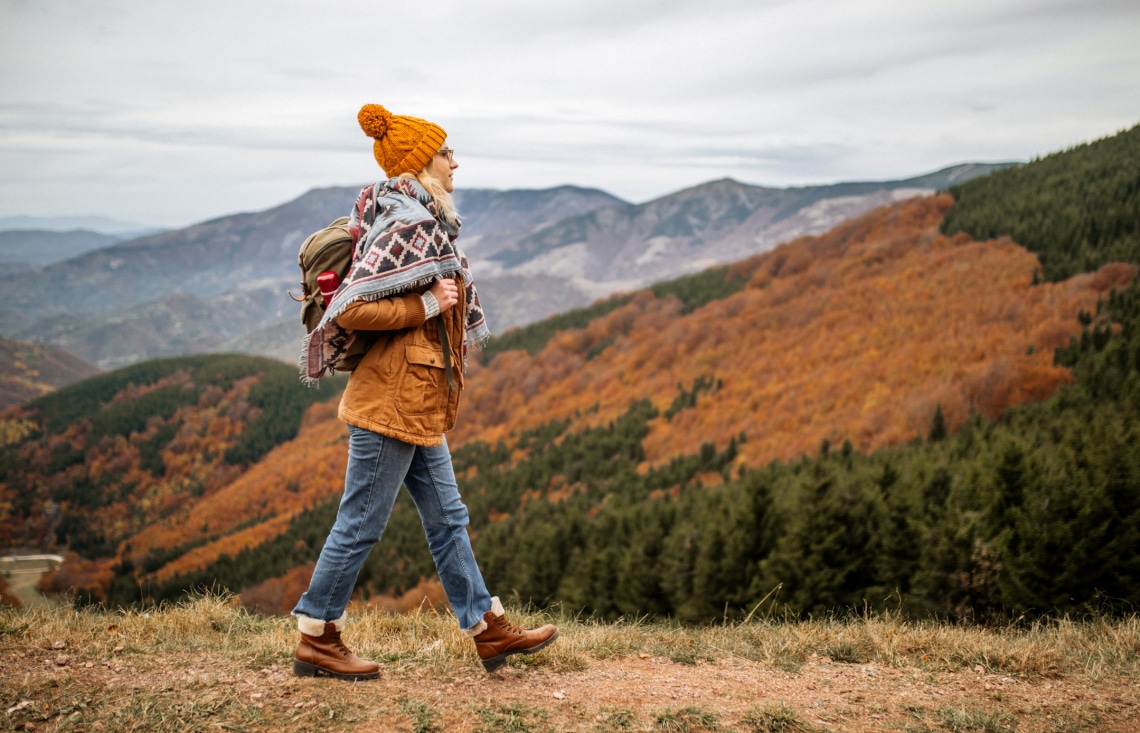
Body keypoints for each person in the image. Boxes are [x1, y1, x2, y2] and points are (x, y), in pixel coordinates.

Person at [291, 103, 558, 680]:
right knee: (361, 522)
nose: (455, 162)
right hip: (391, 400)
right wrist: (426, 303)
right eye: (446, 152)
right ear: (420, 163)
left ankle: (487, 627)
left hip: (416, 397)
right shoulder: (409, 222)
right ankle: (317, 633)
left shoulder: (418, 215)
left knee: (448, 518)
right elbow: (354, 306)